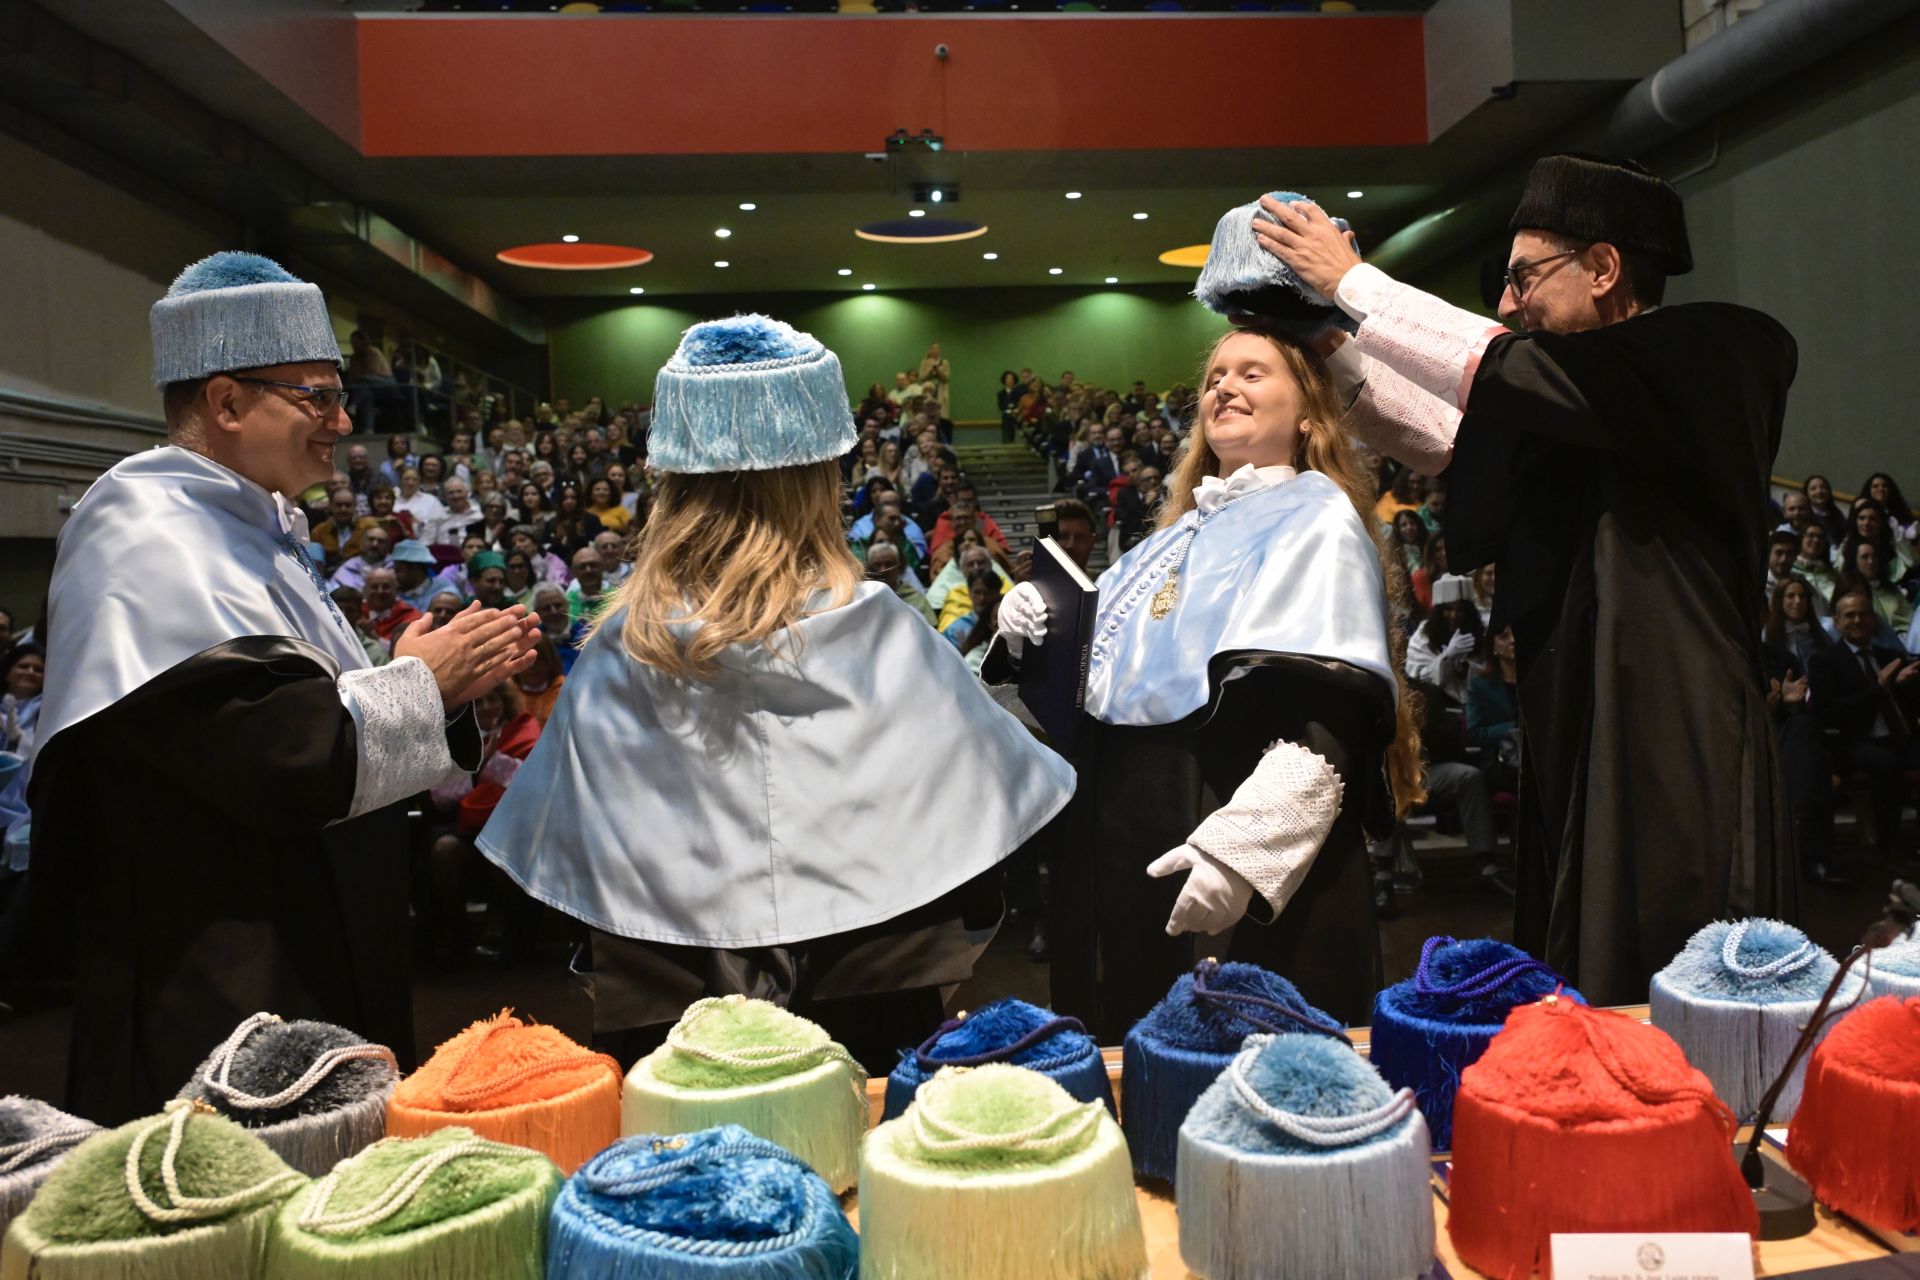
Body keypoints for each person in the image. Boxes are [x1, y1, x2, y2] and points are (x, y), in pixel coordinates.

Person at [1258, 154, 1798, 1002]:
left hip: (1670, 703)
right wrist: (1326, 339)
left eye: (1523, 276)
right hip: (1572, 705)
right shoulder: (1570, 397)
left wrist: (1356, 281)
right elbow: (1450, 431)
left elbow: (1504, 370)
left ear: (1605, 268)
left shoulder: (1713, 349)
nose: (1508, 303)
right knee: (1577, 938)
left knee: (1679, 948)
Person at [478, 315, 1071, 1066]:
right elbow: (986, 827)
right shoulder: (879, 626)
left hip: (672, 1016)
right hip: (872, 989)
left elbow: (566, 874)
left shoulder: (624, 646)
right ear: (818, 474)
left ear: (677, 482)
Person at [27, 253, 537, 1123]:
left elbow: (309, 716)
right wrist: (420, 682)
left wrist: (427, 685)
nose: (342, 421)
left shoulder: (251, 531)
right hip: (225, 962)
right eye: (316, 396)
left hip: (299, 928)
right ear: (226, 402)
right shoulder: (149, 536)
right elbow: (276, 752)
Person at [993, 323, 1420, 1034]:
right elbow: (1096, 694)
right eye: (1215, 376)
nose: (1225, 386)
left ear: (1308, 410)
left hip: (1225, 838)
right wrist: (1035, 639)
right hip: (1129, 843)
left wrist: (1244, 854)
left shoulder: (1317, 518)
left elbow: (1330, 717)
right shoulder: (1167, 539)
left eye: (1254, 373)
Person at [1807, 586, 1920, 862]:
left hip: (1898, 735)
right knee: (1887, 763)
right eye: (1850, 615)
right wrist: (1879, 687)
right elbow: (1829, 713)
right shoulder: (1824, 661)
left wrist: (1908, 686)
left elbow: (1911, 706)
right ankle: (1887, 848)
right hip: (1852, 741)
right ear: (1837, 621)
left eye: (1864, 615)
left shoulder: (1890, 656)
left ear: (1874, 619)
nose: (1858, 621)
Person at [1405, 575, 1484, 706]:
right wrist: (1447, 658)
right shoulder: (1423, 636)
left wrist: (1464, 667)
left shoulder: (1477, 632)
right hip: (1439, 709)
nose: (1454, 616)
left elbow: (1487, 674)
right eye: (1448, 609)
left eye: (1460, 610)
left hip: (1475, 706)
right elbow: (1422, 678)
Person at [863, 540, 935, 626]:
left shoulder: (915, 598)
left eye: (889, 564)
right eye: (877, 564)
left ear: (898, 567)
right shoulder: (862, 598)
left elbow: (930, 629)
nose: (883, 569)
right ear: (869, 569)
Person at [361, 566, 423, 648]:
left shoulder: (412, 617)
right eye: (374, 587)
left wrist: (376, 639)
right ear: (365, 590)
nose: (380, 591)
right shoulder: (356, 613)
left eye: (386, 587)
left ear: (396, 590)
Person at [1, 644, 44, 755]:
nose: (31, 672)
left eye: (38, 670)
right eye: (23, 666)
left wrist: (18, 738)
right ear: (7, 673)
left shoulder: (48, 710)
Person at [392, 539, 453, 613]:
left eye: (398, 570)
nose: (394, 575)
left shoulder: (445, 590)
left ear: (415, 568)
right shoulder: (391, 592)